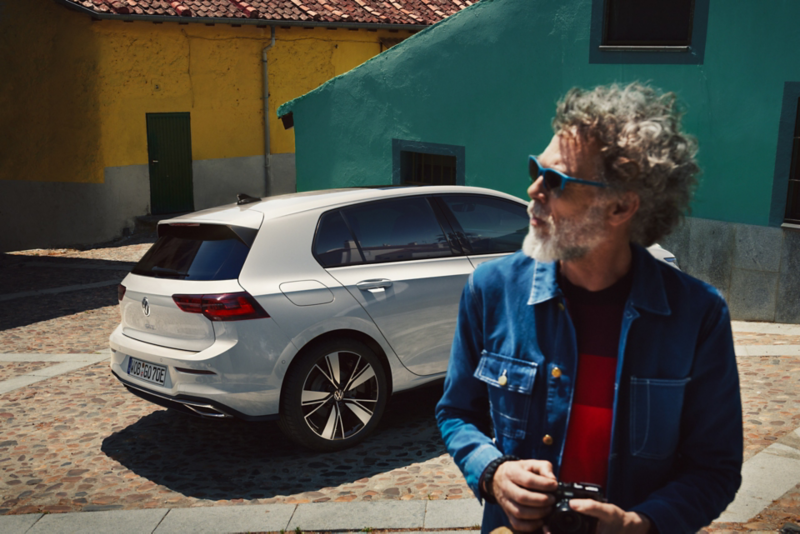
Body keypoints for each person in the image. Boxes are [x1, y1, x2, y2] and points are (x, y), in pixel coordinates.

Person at [435, 82, 743, 534]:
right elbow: (457, 413)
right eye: (535, 168)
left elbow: (714, 468)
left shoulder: (698, 315)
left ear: (620, 206)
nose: (533, 188)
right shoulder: (491, 288)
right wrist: (494, 472)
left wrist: (640, 524)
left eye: (555, 180)